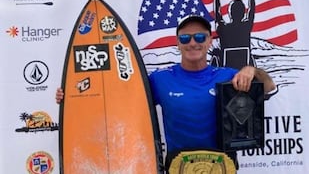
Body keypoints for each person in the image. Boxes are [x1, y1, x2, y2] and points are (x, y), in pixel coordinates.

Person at [56, 14, 275, 172]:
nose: (192, 43)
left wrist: (252, 70)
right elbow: (121, 100)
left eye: (199, 38)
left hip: (221, 164)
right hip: (178, 164)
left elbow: (268, 86)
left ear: (209, 41)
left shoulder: (227, 75)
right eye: (185, 38)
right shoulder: (161, 79)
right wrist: (74, 97)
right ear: (177, 43)